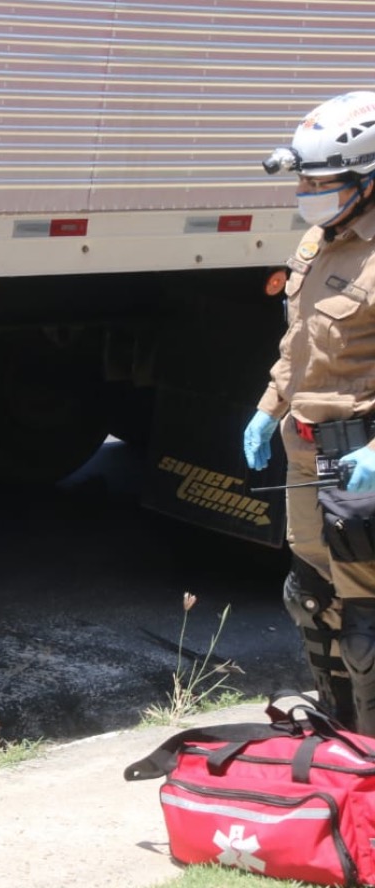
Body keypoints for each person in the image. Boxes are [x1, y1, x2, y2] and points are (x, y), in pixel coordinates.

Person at [245, 91, 375, 734]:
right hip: (305, 447)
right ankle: (336, 737)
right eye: (305, 179)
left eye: (324, 181)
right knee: (311, 596)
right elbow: (298, 343)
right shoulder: (317, 240)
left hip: (360, 455)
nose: (309, 191)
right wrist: (269, 407)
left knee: (366, 620)